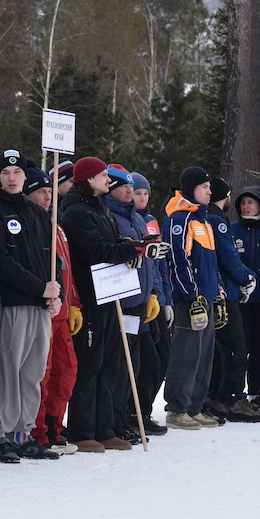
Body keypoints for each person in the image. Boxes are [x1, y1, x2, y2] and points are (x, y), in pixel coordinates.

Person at [61, 157, 161, 449]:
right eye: (103, 175)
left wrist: (132, 248)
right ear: (89, 180)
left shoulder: (100, 209)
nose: (108, 180)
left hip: (110, 296)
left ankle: (105, 427)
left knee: (110, 362)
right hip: (90, 297)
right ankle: (83, 430)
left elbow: (114, 242)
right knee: (91, 364)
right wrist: (130, 248)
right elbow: (95, 250)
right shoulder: (77, 212)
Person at [0, 150, 60, 462]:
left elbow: (52, 259)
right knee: (7, 370)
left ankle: (23, 433)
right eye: (5, 173)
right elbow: (1, 262)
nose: (11, 178)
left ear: (26, 176)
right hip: (12, 303)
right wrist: (40, 288)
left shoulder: (35, 211)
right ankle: (1, 435)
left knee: (32, 370)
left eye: (17, 173)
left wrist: (57, 293)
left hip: (39, 305)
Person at [23, 166, 81, 453]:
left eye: (49, 192)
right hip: (44, 313)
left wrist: (76, 305)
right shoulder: (34, 225)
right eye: (41, 192)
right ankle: (38, 431)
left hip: (63, 314)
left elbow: (67, 272)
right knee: (42, 375)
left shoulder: (57, 226)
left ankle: (55, 427)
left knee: (66, 370)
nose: (47, 197)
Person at [161, 167, 223, 430]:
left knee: (203, 354)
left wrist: (218, 288)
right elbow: (177, 260)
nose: (210, 192)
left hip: (206, 297)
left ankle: (195, 407)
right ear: (191, 189)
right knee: (186, 353)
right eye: (204, 187)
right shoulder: (180, 219)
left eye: (209, 188)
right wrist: (191, 294)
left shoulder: (204, 220)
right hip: (190, 300)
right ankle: (177, 409)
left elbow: (210, 262)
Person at [104, 164, 160, 442]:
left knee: (133, 364)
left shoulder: (137, 217)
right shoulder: (111, 216)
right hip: (120, 302)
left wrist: (152, 293)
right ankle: (115, 420)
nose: (130, 192)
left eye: (132, 187)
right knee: (120, 365)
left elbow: (149, 258)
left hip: (138, 301)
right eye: (125, 187)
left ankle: (127, 415)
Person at [205, 175, 260, 423]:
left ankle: (218, 396)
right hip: (225, 294)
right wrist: (246, 278)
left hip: (220, 291)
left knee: (222, 349)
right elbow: (228, 258)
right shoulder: (217, 221)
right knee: (236, 349)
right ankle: (233, 398)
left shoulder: (208, 218)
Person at [130, 172, 171, 435]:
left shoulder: (152, 221)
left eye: (146, 194)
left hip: (155, 296)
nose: (142, 198)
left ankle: (144, 409)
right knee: (146, 361)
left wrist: (165, 299)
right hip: (138, 298)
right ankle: (136, 411)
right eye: (138, 193)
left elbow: (160, 265)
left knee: (161, 358)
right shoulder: (128, 221)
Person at [230, 186, 260, 415]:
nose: (246, 206)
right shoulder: (232, 230)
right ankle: (235, 395)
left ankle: (255, 395)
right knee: (240, 349)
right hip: (240, 301)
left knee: (259, 350)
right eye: (242, 203)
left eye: (251, 202)